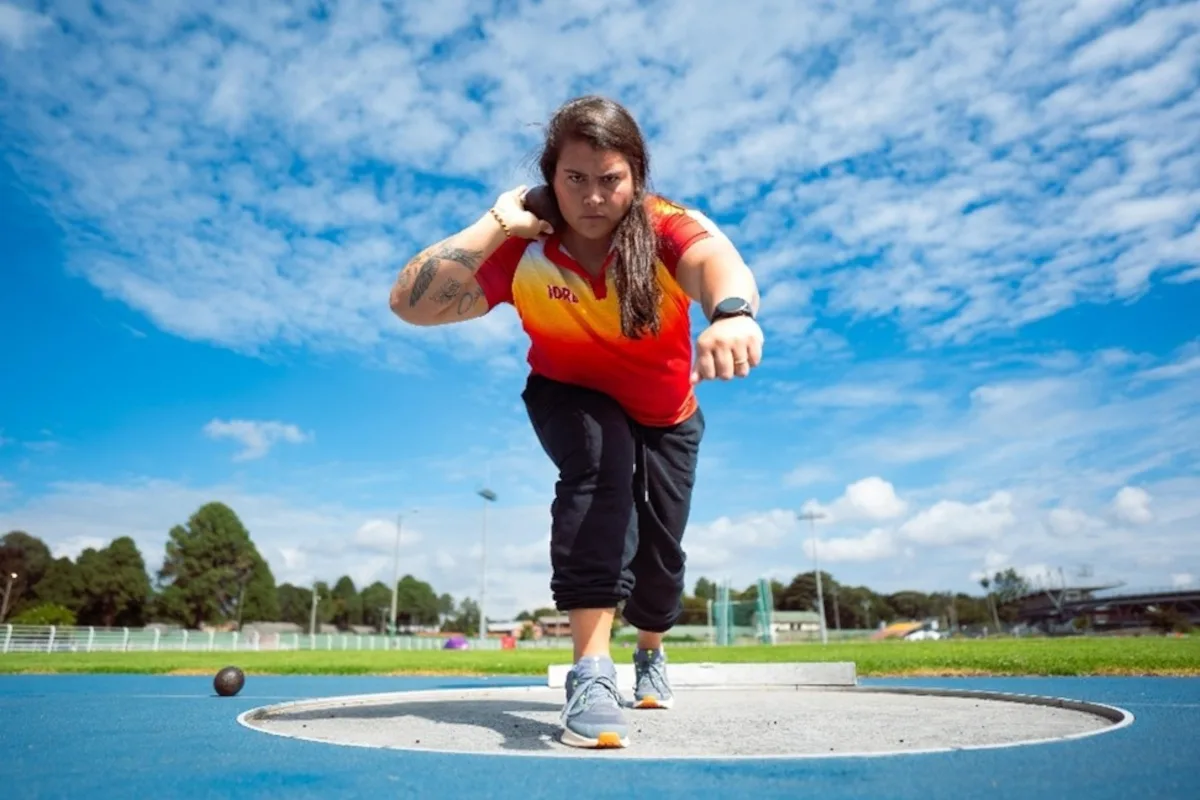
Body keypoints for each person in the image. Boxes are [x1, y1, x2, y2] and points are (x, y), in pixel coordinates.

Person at [388, 95, 763, 749]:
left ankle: (649, 648)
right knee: (600, 473)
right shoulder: (524, 245)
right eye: (575, 179)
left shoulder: (661, 227)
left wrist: (730, 314)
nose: (593, 196)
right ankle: (591, 671)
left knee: (661, 554)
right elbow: (410, 305)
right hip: (569, 392)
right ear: (549, 178)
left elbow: (715, 263)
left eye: (610, 179)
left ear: (635, 179)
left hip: (669, 412)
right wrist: (492, 224)